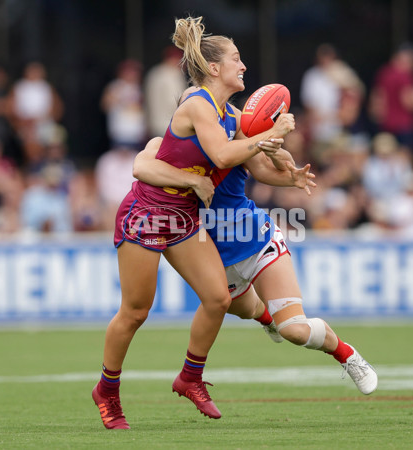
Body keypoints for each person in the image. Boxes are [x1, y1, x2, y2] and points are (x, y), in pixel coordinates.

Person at [91, 15, 296, 430]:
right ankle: (107, 390)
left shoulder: (227, 111)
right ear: (215, 68)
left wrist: (276, 146)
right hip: (148, 215)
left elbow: (260, 160)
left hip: (184, 217)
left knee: (219, 298)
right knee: (135, 311)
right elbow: (221, 157)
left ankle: (190, 378)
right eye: (236, 59)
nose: (244, 66)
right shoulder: (199, 104)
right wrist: (266, 135)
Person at [133, 95, 378, 400]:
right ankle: (266, 320)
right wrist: (189, 179)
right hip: (212, 255)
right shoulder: (165, 146)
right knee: (246, 309)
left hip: (255, 240)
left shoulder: (234, 133)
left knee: (294, 330)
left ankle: (347, 355)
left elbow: (268, 167)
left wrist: (284, 163)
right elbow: (140, 167)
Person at [369, 43, 413, 156]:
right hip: (404, 126)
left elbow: (376, 100)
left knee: (384, 159)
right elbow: (408, 102)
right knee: (403, 161)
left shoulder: (384, 72)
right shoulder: (406, 76)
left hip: (385, 125)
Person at [144, 46, 187, 138]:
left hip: (154, 124)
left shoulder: (154, 73)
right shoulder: (173, 74)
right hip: (170, 125)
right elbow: (175, 101)